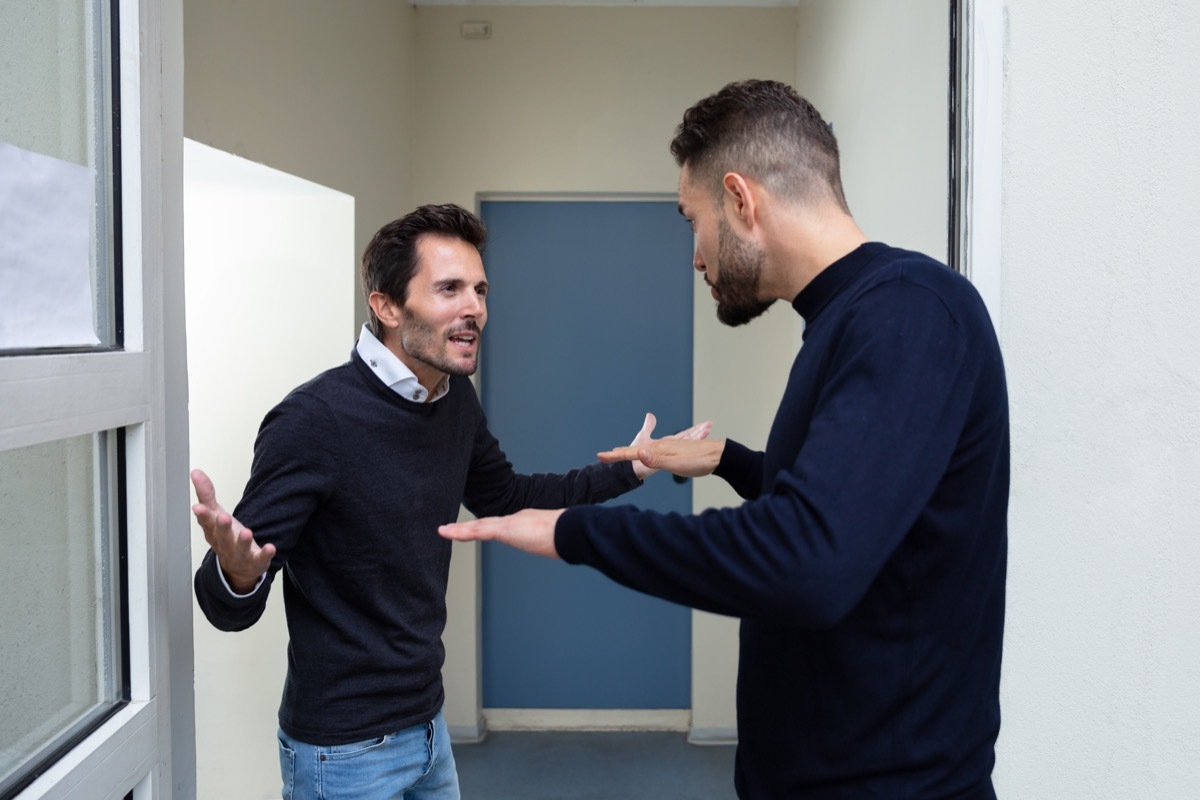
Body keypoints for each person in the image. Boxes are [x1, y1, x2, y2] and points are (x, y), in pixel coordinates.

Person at [439, 80, 1009, 799]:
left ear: (741, 200)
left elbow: (808, 559)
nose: (696, 258)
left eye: (692, 222)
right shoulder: (856, 317)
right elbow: (862, 510)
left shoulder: (908, 313)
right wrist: (731, 461)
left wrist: (573, 532)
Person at [191, 203, 710, 800]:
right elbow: (226, 602)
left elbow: (507, 497)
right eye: (449, 289)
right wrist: (236, 573)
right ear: (386, 305)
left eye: (480, 290)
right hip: (345, 751)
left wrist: (632, 471)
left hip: (429, 730)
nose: (476, 309)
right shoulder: (315, 421)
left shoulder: (451, 397)